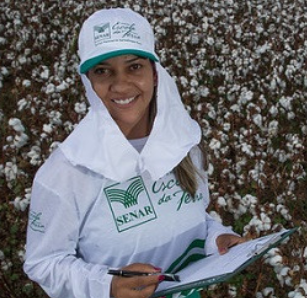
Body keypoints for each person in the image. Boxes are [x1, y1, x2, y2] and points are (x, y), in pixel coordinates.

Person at [23, 8, 245, 298]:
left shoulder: (185, 146)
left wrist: (217, 238)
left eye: (134, 67)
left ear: (154, 74)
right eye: (103, 71)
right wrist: (108, 286)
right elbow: (43, 262)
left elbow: (193, 217)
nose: (121, 84)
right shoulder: (67, 171)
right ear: (88, 82)